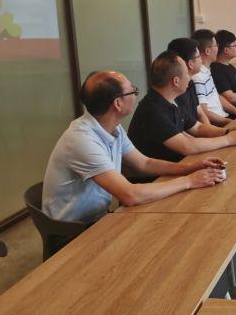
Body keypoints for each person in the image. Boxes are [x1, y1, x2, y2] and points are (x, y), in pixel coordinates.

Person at [42, 70, 225, 224]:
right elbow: (130, 195)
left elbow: (144, 163)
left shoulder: (112, 126)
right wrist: (189, 181)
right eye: (133, 91)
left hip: (98, 217)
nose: (136, 95)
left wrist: (189, 168)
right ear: (118, 103)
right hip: (74, 230)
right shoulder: (82, 140)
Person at [128, 50, 236, 163]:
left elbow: (197, 128)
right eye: (186, 73)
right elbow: (187, 146)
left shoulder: (171, 100)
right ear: (176, 81)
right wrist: (228, 139)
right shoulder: (153, 109)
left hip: (176, 164)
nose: (189, 77)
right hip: (158, 174)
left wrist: (227, 132)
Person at [191, 28, 236, 124]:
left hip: (224, 117)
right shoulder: (198, 77)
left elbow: (217, 96)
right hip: (217, 123)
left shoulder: (207, 70)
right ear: (207, 51)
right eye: (216, 45)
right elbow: (204, 112)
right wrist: (230, 122)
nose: (218, 48)